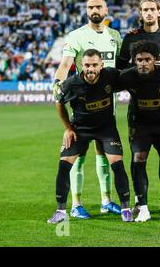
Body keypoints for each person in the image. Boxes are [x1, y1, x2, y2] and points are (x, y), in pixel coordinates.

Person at [52, 0, 122, 219]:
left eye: (98, 6)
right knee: (78, 154)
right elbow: (65, 63)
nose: (94, 10)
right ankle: (76, 204)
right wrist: (57, 83)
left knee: (104, 152)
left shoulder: (115, 35)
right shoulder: (76, 35)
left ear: (106, 10)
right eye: (90, 6)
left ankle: (106, 201)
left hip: (107, 103)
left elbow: (120, 67)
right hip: (84, 103)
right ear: (86, 10)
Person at [47, 49, 132, 224]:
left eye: (94, 65)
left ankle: (126, 209)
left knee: (117, 163)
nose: (90, 69)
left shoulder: (111, 75)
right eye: (87, 65)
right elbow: (59, 103)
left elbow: (132, 79)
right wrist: (68, 128)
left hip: (106, 129)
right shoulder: (71, 84)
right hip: (81, 130)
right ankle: (61, 211)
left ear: (101, 65)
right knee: (64, 165)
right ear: (81, 66)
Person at [117, 0, 160, 215]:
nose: (148, 13)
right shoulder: (130, 38)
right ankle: (140, 201)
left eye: (152, 9)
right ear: (140, 13)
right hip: (139, 108)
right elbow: (119, 71)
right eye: (144, 9)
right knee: (139, 156)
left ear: (159, 11)